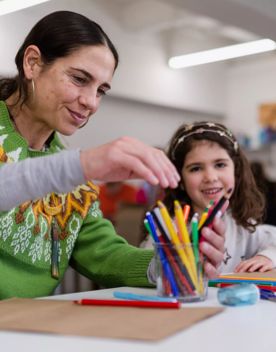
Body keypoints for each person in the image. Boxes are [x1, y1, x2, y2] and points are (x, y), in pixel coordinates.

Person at [0, 11, 224, 299]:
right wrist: (84, 164)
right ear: (32, 63)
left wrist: (172, 263)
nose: (91, 102)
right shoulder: (74, 167)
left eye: (101, 90)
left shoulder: (73, 174)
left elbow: (102, 254)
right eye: (79, 79)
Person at [161, 121, 276, 273]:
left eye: (220, 165)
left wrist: (267, 257)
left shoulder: (241, 225)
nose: (210, 177)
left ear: (236, 171)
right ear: (180, 179)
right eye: (196, 168)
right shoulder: (167, 227)